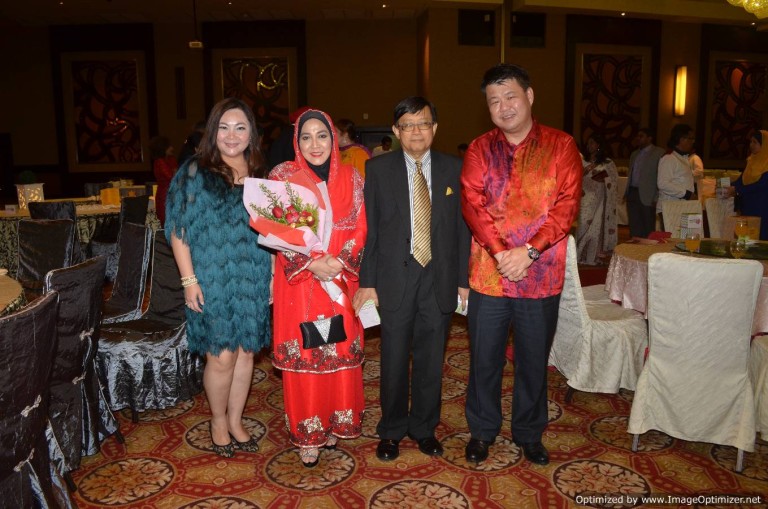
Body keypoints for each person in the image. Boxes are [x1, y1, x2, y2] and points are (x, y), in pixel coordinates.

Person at [460, 64, 581, 466]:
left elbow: (567, 207)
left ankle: (529, 433)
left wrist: (528, 251)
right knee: (484, 359)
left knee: (533, 361)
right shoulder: (479, 149)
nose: (503, 107)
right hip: (489, 274)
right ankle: (482, 431)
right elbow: (472, 204)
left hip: (540, 275)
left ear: (529, 96)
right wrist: (501, 253)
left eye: (510, 96)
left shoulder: (562, 146)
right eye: (494, 101)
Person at [353, 96, 470, 462]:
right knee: (392, 359)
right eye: (408, 125)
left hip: (439, 278)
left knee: (431, 361)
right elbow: (371, 230)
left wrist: (463, 280)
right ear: (396, 130)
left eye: (423, 124)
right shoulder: (378, 169)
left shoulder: (455, 168)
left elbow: (462, 230)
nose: (416, 131)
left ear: (435, 128)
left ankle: (423, 428)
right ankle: (391, 429)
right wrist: (367, 281)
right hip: (393, 279)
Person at [165, 97, 272, 458]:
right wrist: (188, 280)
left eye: (240, 128)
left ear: (251, 135)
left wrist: (273, 276)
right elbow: (177, 230)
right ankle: (218, 421)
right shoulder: (194, 172)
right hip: (211, 276)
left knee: (246, 353)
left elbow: (273, 232)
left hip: (253, 273)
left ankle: (237, 420)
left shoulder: (260, 174)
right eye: (224, 127)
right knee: (222, 355)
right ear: (213, 132)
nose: (232, 135)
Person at [269, 109, 367, 468]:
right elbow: (277, 232)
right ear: (296, 141)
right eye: (306, 136)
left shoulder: (353, 178)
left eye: (322, 135)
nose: (315, 144)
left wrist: (338, 262)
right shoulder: (283, 177)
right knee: (307, 353)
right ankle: (308, 433)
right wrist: (312, 264)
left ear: (333, 139)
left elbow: (362, 227)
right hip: (300, 285)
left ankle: (337, 422)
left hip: (340, 280)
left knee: (337, 349)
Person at [576, 135, 618, 265]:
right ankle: (579, 255)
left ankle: (592, 257)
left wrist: (604, 179)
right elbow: (574, 177)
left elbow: (614, 181)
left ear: (598, 145)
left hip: (600, 199)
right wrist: (584, 171)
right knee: (583, 224)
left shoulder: (607, 163)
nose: (589, 145)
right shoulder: (582, 161)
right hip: (585, 198)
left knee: (596, 227)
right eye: (588, 143)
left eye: (592, 143)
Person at [625, 128, 665, 238]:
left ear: (649, 138)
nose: (638, 138)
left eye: (641, 136)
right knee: (634, 224)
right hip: (632, 192)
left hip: (648, 195)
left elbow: (661, 176)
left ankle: (647, 248)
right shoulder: (634, 154)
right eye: (637, 136)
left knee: (648, 226)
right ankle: (635, 246)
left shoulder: (659, 153)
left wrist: (656, 197)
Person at [657, 124, 697, 224]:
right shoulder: (669, 158)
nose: (693, 141)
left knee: (687, 234)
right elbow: (663, 183)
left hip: (683, 207)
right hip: (671, 208)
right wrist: (687, 194)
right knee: (671, 234)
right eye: (690, 138)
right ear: (681, 139)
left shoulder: (683, 158)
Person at [732, 129, 768, 240]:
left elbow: (761, 185)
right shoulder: (751, 160)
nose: (751, 145)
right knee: (746, 236)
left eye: (755, 142)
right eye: (750, 142)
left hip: (762, 206)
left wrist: (737, 189)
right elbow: (742, 179)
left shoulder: (766, 163)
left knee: (760, 235)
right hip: (748, 204)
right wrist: (730, 186)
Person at [149, 135, 178, 226]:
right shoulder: (160, 162)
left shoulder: (170, 159)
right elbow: (171, 177)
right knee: (167, 219)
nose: (172, 148)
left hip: (171, 192)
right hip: (165, 195)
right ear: (163, 148)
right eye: (169, 146)